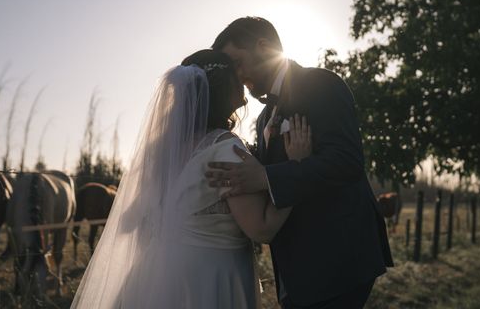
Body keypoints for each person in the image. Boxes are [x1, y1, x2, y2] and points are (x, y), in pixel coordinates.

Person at [71, 49, 311, 309]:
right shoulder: (225, 149)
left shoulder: (161, 151)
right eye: (236, 75)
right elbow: (261, 228)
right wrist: (298, 169)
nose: (242, 79)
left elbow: (132, 218)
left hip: (156, 276)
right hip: (210, 279)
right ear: (223, 88)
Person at [206, 17, 393, 309]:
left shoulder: (321, 83)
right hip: (297, 266)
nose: (237, 76)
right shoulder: (264, 117)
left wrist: (266, 177)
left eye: (238, 63)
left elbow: (346, 160)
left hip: (338, 259)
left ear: (264, 47)